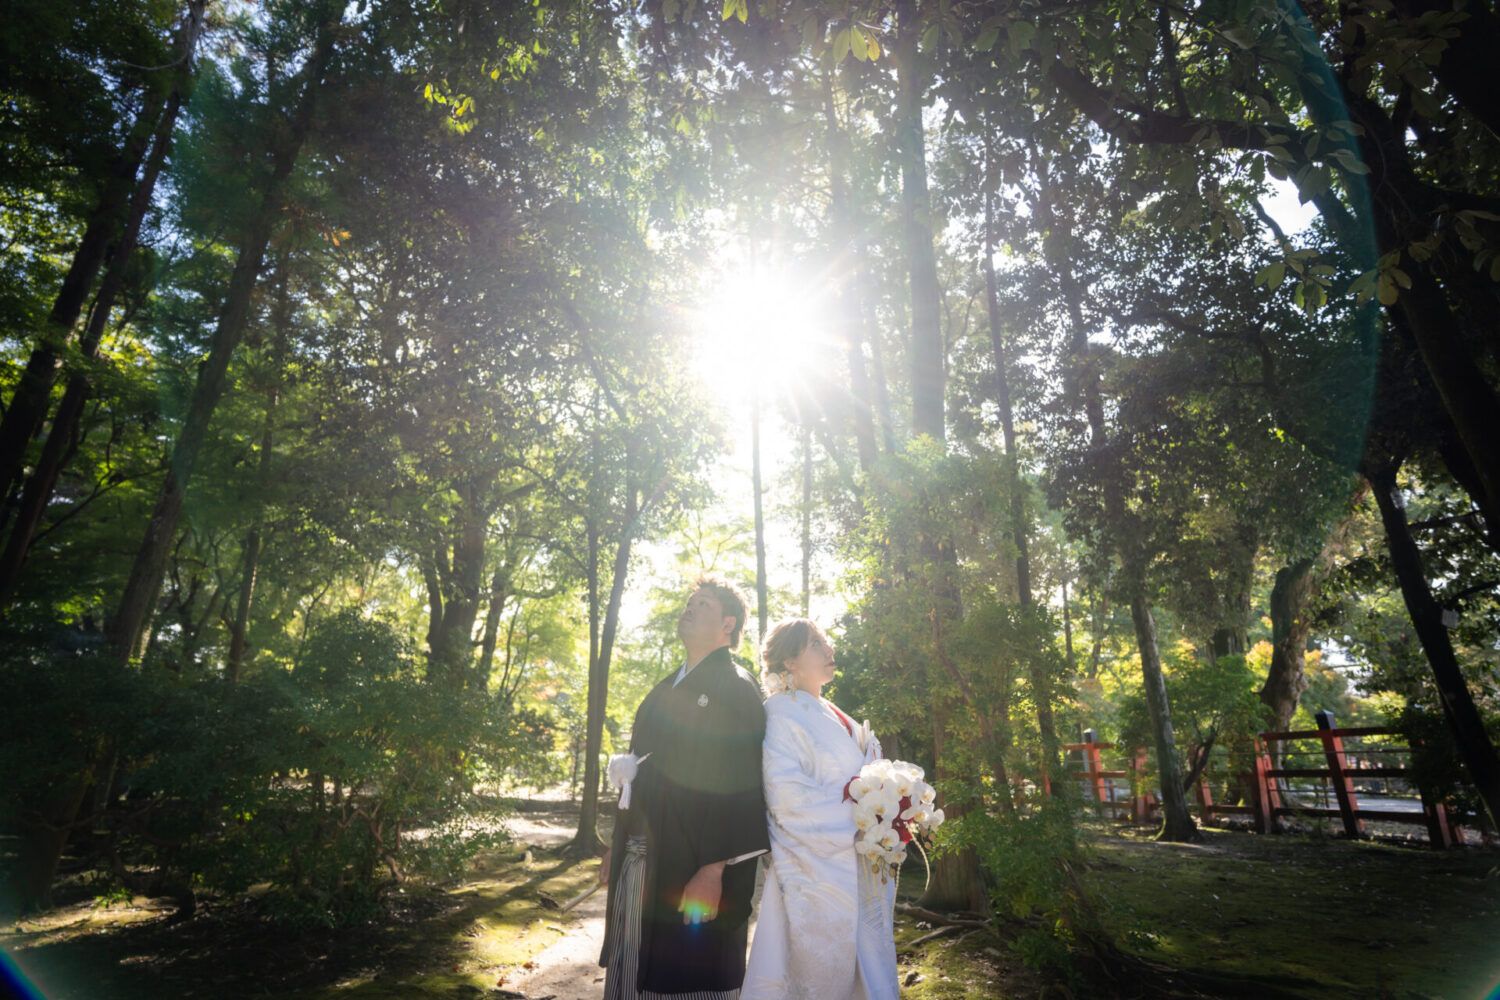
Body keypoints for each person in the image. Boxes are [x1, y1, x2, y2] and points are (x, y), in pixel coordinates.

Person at [598, 577, 770, 999]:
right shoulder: (664, 689)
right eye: (689, 601)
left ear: (728, 624)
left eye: (703, 604)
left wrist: (713, 870)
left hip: (697, 867)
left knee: (689, 975)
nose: (689, 608)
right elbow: (639, 773)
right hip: (644, 862)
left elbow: (743, 783)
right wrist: (616, 847)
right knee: (633, 970)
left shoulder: (736, 687)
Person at [741, 619, 898, 1000]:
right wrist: (863, 820)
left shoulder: (830, 710)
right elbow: (788, 799)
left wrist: (892, 805)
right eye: (816, 643)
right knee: (813, 978)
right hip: (814, 869)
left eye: (826, 641)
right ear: (790, 662)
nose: (829, 650)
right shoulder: (778, 714)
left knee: (869, 967)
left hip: (858, 862)